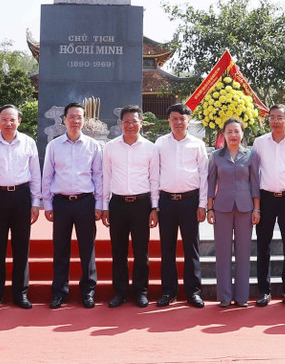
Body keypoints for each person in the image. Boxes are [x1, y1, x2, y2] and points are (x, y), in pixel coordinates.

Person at [0, 104, 41, 310]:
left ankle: (20, 293)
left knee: (21, 247)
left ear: (19, 121)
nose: (8, 123)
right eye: (4, 119)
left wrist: (35, 203)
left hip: (22, 196)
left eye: (12, 119)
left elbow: (36, 175)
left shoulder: (28, 143)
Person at [41, 102, 103, 308]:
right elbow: (47, 176)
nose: (75, 121)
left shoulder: (93, 146)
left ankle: (88, 291)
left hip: (85, 202)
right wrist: (47, 205)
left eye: (79, 117)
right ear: (64, 120)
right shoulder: (54, 146)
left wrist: (99, 204)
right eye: (72, 117)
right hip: (61, 203)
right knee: (60, 249)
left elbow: (98, 176)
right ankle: (59, 292)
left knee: (87, 249)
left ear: (84, 120)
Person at [101, 105, 159, 307]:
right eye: (126, 121)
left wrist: (154, 208)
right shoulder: (110, 147)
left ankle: (141, 291)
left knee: (141, 250)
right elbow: (106, 177)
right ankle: (120, 291)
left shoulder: (151, 148)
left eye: (134, 121)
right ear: (120, 124)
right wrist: (105, 206)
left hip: (142, 204)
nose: (130, 125)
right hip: (117, 204)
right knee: (119, 250)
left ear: (141, 123)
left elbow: (154, 179)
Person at [252, 104, 285, 308]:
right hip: (266, 198)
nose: (275, 121)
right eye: (272, 117)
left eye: (280, 117)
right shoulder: (259, 143)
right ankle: (264, 291)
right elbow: (254, 175)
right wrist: (256, 205)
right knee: (263, 245)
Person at [156, 103, 208, 308]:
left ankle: (193, 292)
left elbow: (204, 175)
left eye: (182, 119)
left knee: (191, 247)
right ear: (168, 120)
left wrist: (202, 204)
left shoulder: (197, 144)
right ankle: (168, 292)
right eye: (174, 119)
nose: (178, 122)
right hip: (166, 201)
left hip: (190, 201)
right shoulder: (160, 143)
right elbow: (154, 175)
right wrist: (155, 205)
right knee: (167, 248)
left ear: (188, 121)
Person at [206, 117, 260, 308]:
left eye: (237, 131)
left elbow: (255, 184)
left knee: (243, 253)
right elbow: (210, 183)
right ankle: (225, 296)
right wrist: (210, 208)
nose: (233, 135)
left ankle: (242, 296)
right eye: (229, 131)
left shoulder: (251, 155)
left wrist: (257, 208)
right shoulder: (216, 156)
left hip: (245, 208)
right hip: (222, 208)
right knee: (223, 253)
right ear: (223, 134)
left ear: (242, 133)